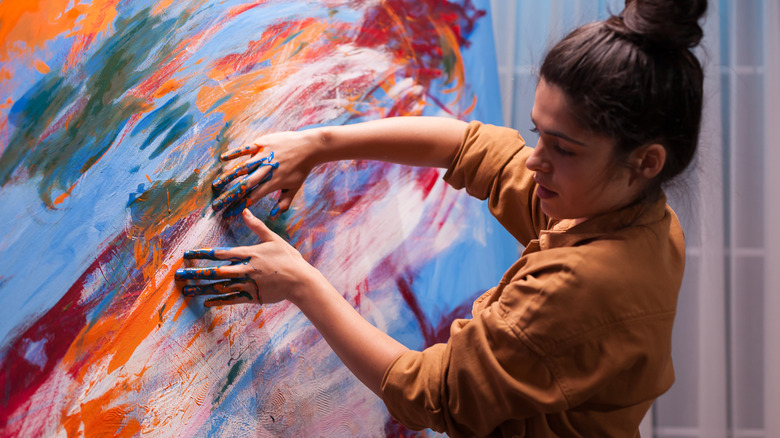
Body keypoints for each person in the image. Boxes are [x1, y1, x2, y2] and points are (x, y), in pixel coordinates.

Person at [175, 0, 708, 436]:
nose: (533, 159)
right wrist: (319, 144)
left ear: (645, 161)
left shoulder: (583, 284)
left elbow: (428, 393)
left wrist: (301, 283)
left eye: (563, 148)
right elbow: (473, 148)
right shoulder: (638, 217)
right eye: (538, 133)